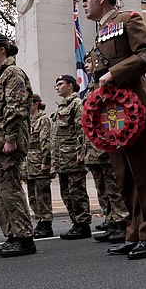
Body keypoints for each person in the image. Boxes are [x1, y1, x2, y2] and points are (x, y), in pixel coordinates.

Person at [81, 0, 146, 260]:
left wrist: (114, 73)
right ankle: (134, 233)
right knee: (124, 178)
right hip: (113, 116)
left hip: (135, 110)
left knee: (144, 175)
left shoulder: (129, 18)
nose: (83, 3)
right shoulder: (99, 32)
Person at [0, 33, 36, 257]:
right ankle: (11, 236)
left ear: (2, 49)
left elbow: (16, 107)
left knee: (10, 191)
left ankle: (24, 238)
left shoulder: (13, 73)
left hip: (6, 143)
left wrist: (11, 139)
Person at [82, 53, 128, 243]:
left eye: (89, 61)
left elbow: (112, 115)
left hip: (106, 144)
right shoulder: (90, 88)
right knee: (103, 189)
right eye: (84, 62)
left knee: (113, 187)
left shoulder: (105, 85)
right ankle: (112, 221)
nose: (86, 65)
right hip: (93, 148)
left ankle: (123, 223)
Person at [51, 74, 92, 240]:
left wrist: (81, 152)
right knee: (66, 192)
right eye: (56, 84)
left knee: (77, 191)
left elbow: (81, 130)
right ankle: (76, 222)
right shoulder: (61, 106)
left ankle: (83, 224)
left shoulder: (76, 104)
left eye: (61, 84)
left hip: (72, 156)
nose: (57, 87)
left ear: (71, 86)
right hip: (62, 157)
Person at [26, 94, 54, 239]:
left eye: (29, 103)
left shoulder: (42, 120)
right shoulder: (27, 121)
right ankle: (39, 220)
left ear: (36, 104)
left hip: (39, 162)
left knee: (42, 194)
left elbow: (46, 142)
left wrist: (45, 161)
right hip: (29, 164)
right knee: (32, 196)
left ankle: (46, 222)